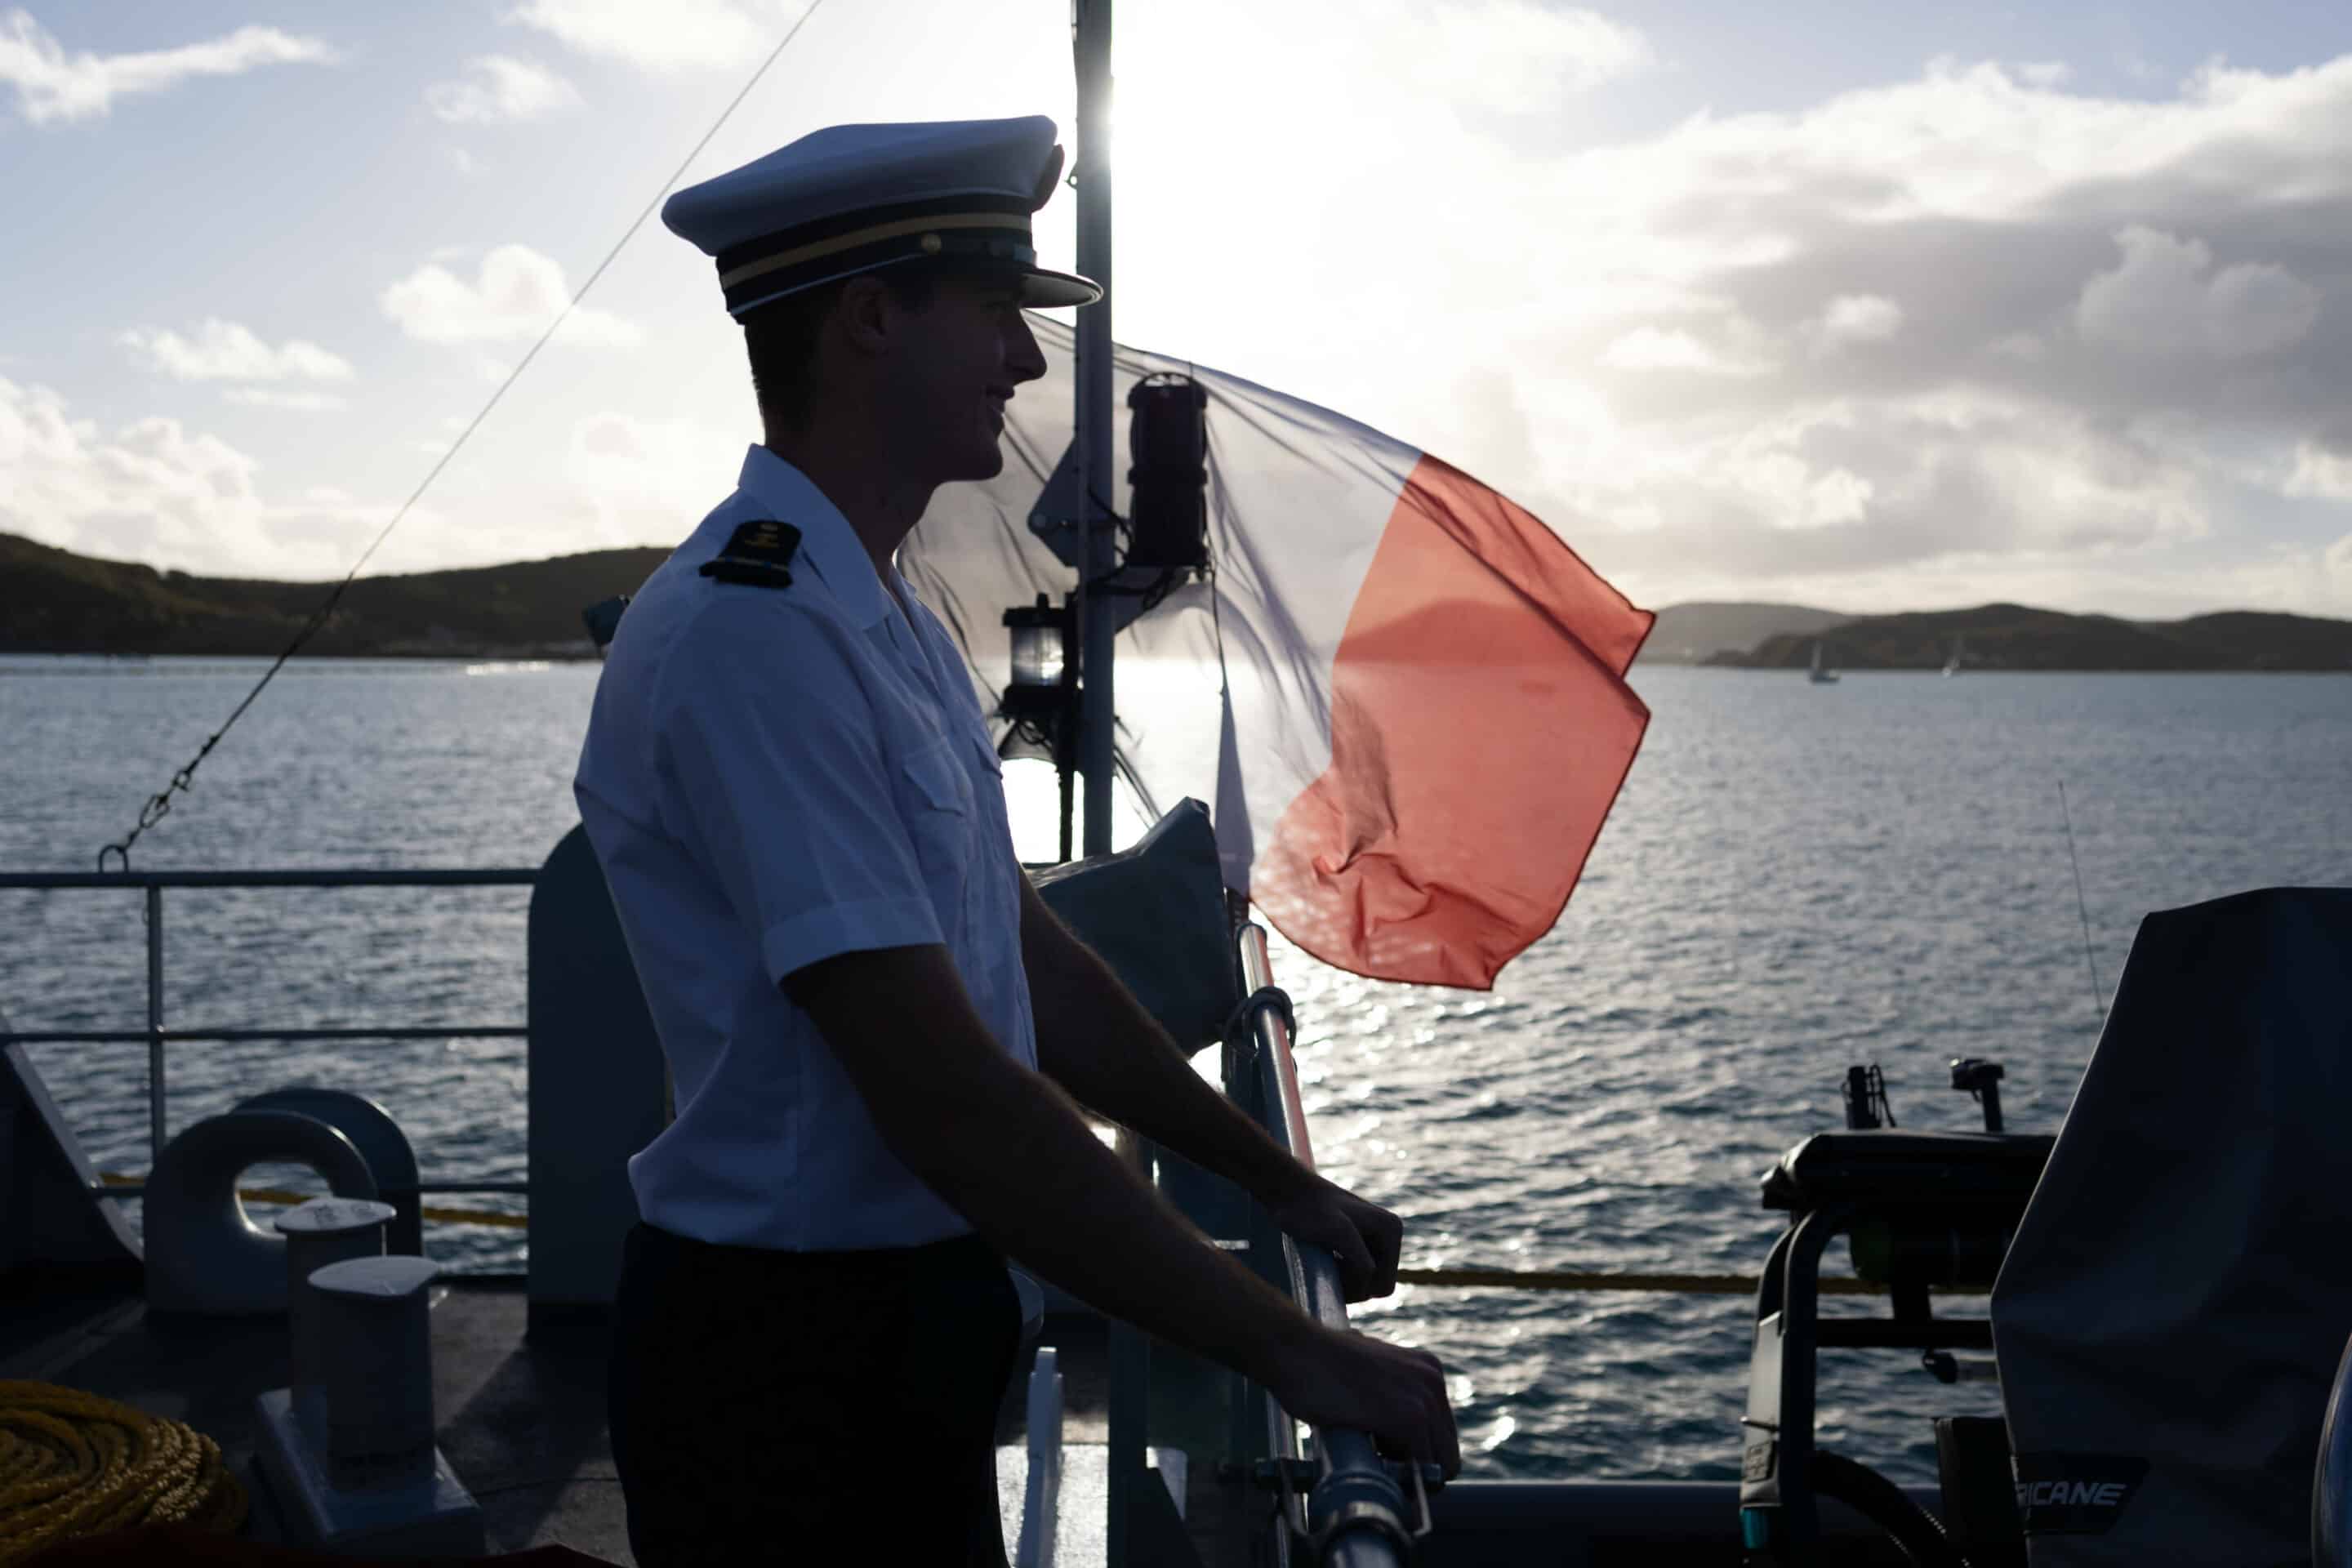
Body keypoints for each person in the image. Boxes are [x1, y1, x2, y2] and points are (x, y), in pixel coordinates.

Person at [573, 115, 1459, 1566]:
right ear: (868, 320)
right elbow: (942, 1091)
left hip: (910, 1327)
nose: (1029, 361)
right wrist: (1291, 1354)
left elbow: (1022, 958)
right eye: (994, 313)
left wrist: (1274, 1180)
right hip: (789, 1365)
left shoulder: (880, 612)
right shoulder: (754, 634)